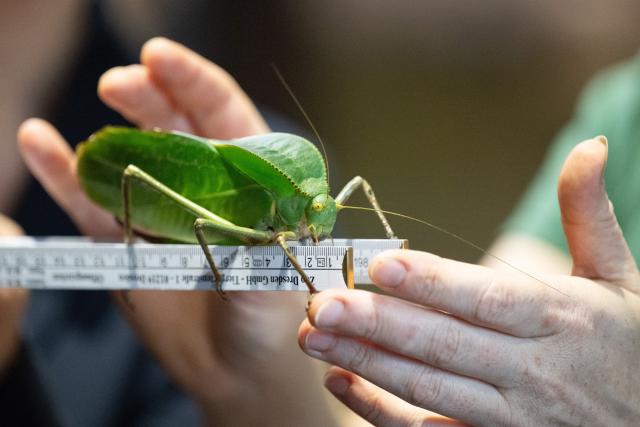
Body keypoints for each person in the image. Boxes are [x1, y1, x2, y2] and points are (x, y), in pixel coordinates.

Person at [7, 36, 640, 426]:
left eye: (325, 217)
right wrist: (261, 383)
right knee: (175, 193)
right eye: (315, 217)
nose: (322, 225)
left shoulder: (322, 200)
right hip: (215, 210)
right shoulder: (622, 106)